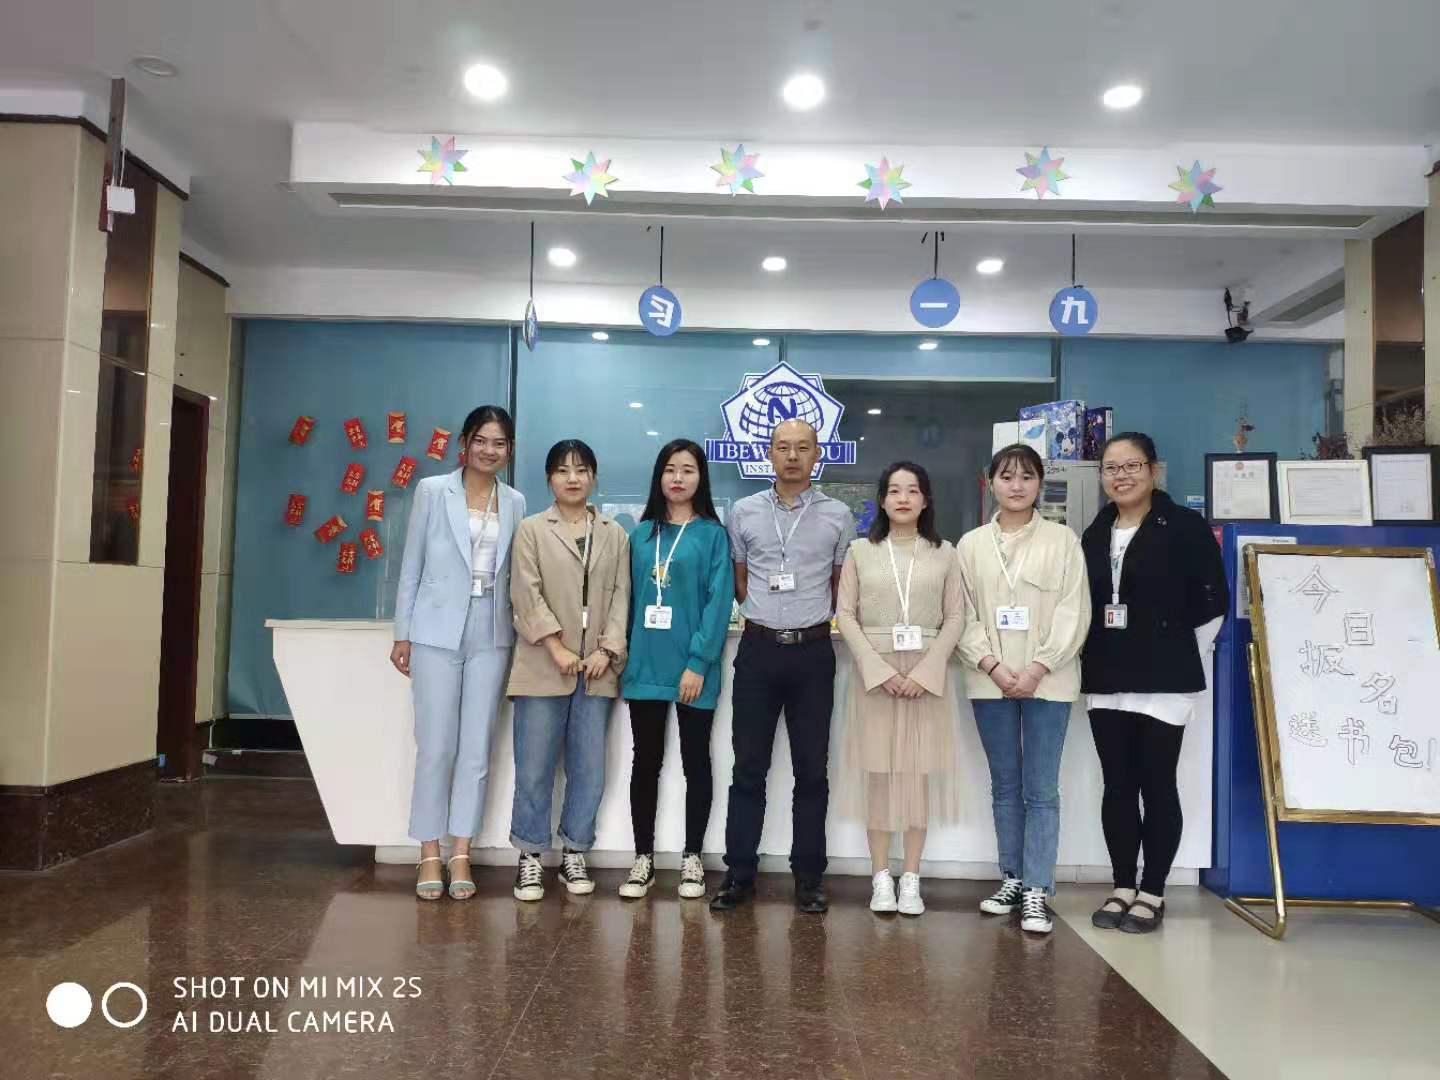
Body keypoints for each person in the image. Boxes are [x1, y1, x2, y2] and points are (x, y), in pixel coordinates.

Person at [1081, 432, 1227, 934]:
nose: (1121, 476)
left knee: (1157, 784)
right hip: (1106, 675)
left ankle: (1153, 891)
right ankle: (1123, 885)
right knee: (1118, 786)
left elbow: (1213, 603)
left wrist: (1179, 654)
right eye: (1111, 467)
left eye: (1132, 466)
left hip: (1164, 680)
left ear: (1153, 470)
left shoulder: (1184, 526)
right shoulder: (1096, 531)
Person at [710, 419, 853, 914]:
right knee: (748, 768)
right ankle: (739, 873)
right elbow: (741, 581)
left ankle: (809, 877)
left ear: (817, 455)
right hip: (758, 650)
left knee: (812, 770)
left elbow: (838, 584)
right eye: (783, 447)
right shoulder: (744, 512)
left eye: (802, 448)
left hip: (813, 652)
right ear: (769, 454)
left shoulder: (837, 515)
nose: (792, 456)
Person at [391, 405, 526, 901]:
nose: (489, 450)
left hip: (492, 630)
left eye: (499, 443)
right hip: (434, 629)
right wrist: (402, 633)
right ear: (464, 444)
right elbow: (411, 564)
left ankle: (462, 850)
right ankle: (430, 851)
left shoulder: (515, 501)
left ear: (510, 450)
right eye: (481, 440)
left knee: (476, 747)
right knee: (436, 746)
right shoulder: (432, 491)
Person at [957, 444, 1091, 934]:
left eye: (1027, 476)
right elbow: (962, 614)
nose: (1017, 486)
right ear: (990, 481)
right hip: (989, 680)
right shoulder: (971, 545)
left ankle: (1037, 887)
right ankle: (1012, 878)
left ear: (1039, 484)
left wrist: (1037, 668)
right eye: (1007, 476)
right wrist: (993, 666)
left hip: (1048, 682)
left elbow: (1074, 612)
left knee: (1041, 789)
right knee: (1005, 786)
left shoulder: (1062, 540)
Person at [834, 462, 964, 917]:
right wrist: (879, 670)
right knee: (878, 775)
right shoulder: (860, 551)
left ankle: (911, 878)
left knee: (916, 776)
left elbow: (956, 617)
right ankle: (879, 877)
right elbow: (845, 614)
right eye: (894, 491)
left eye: (912, 490)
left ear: (926, 500)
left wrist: (925, 672)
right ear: (882, 500)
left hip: (925, 678)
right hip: (876, 678)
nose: (903, 498)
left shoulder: (945, 553)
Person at [507, 439, 632, 901]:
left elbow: (621, 596)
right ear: (549, 478)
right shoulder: (531, 530)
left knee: (589, 769)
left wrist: (608, 649)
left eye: (581, 470)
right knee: (534, 767)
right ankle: (530, 855)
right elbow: (525, 592)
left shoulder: (614, 534)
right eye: (562, 470)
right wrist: (555, 646)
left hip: (596, 670)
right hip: (543, 663)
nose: (572, 478)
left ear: (593, 476)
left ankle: (575, 851)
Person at [618, 440, 734, 900]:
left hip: (693, 671)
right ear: (659, 477)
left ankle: (692, 858)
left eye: (688, 469)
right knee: (645, 762)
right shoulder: (641, 535)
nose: (679, 478)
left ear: (701, 478)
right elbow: (625, 600)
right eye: (670, 469)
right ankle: (642, 857)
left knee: (695, 762)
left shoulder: (713, 535)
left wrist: (698, 662)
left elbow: (719, 603)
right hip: (645, 665)